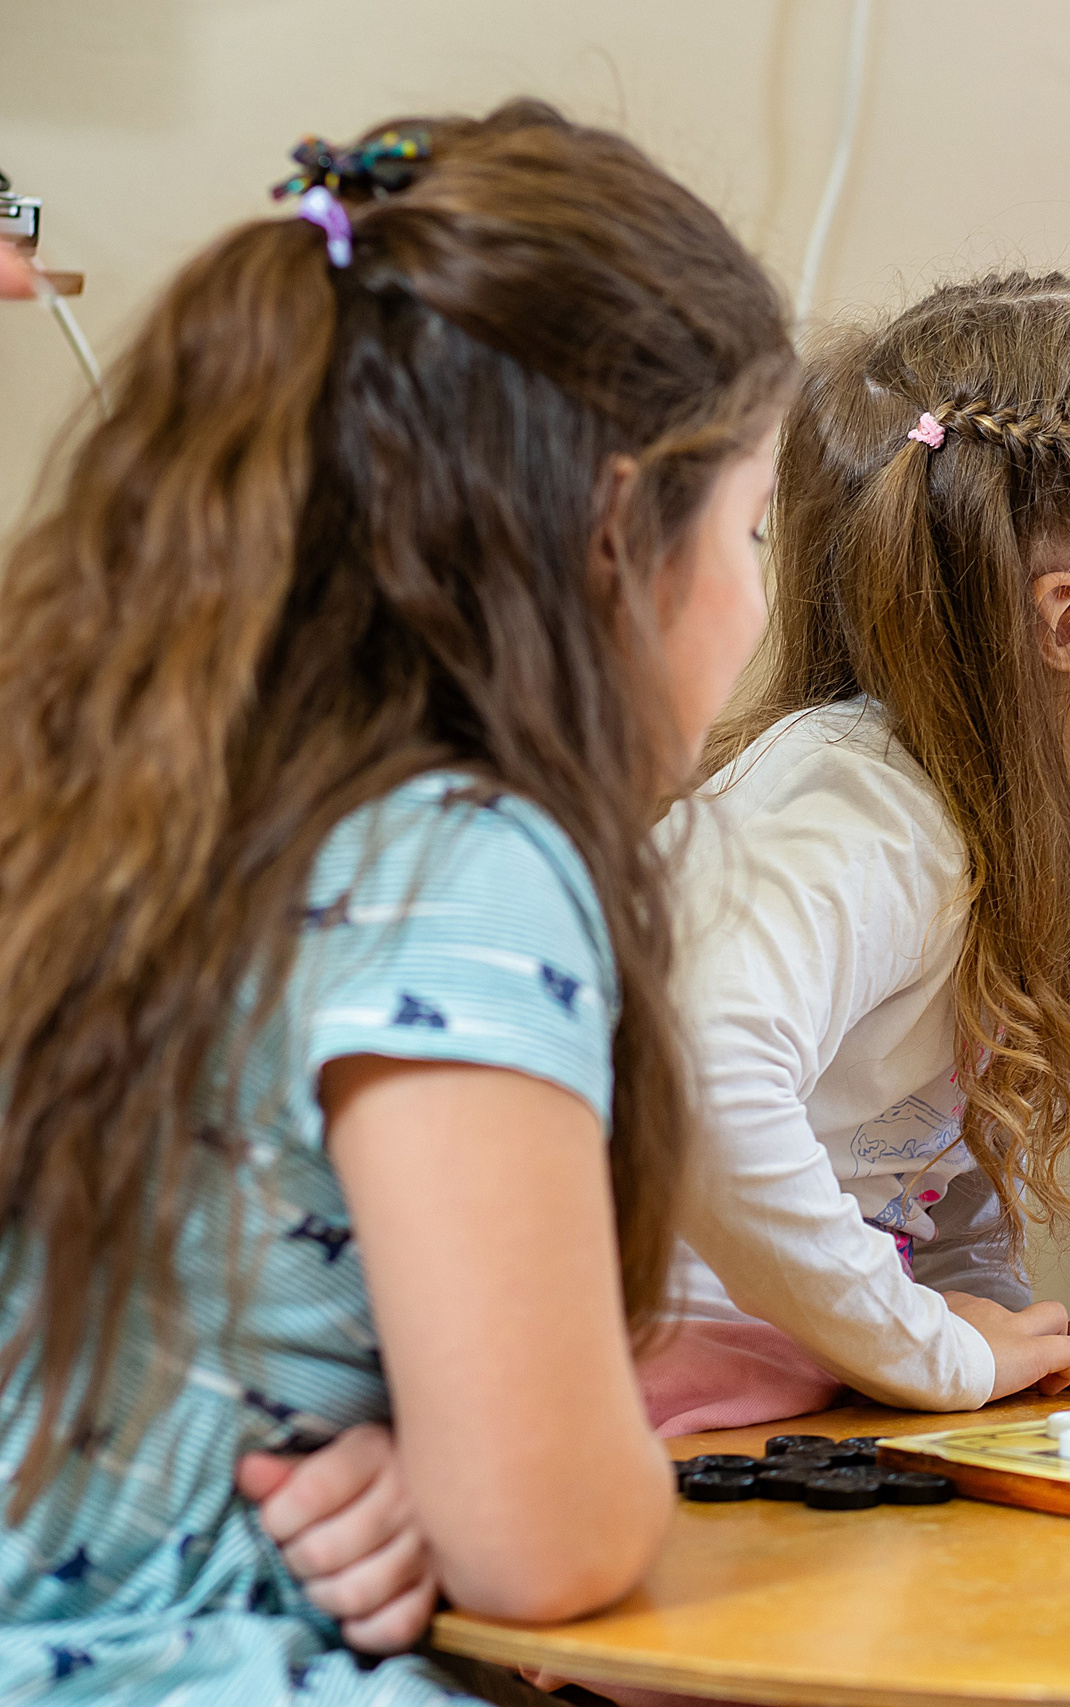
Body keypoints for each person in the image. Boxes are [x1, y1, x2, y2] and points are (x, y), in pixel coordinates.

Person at [0, 103, 795, 1699]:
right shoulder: (462, 863)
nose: (761, 589)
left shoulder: (83, 788)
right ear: (612, 529)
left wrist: (428, 1460)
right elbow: (550, 1538)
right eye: (755, 524)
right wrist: (491, 1481)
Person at [642, 271, 1070, 1427]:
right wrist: (932, 1352)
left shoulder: (999, 817)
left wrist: (1017, 1338)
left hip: (771, 1392)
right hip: (635, 1390)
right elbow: (698, 1073)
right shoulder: (866, 816)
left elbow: (917, 1184)